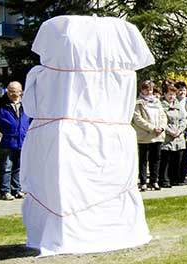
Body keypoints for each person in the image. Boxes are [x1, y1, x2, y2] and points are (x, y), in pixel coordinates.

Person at [21, 16, 153, 256]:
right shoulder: (120, 75)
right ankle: (108, 229)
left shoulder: (45, 76)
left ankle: (74, 230)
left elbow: (31, 105)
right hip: (102, 132)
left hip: (70, 132)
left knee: (67, 186)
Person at [0, 81, 30, 201]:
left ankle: (16, 189)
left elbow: (30, 120)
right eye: (10, 91)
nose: (12, 94)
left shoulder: (26, 104)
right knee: (6, 167)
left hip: (22, 140)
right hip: (6, 141)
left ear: (21, 91)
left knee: (19, 167)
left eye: (15, 91)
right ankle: (5, 191)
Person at [132, 80, 167, 192]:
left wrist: (161, 127)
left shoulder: (157, 102)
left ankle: (154, 181)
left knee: (155, 159)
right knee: (143, 160)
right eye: (146, 89)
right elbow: (138, 119)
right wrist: (152, 128)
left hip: (158, 135)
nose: (148, 91)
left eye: (150, 89)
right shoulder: (138, 103)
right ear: (142, 89)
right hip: (145, 136)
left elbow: (163, 116)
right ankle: (143, 182)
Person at [160, 85, 187, 187]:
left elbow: (183, 120)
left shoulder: (178, 106)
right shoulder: (161, 106)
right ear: (165, 94)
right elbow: (161, 121)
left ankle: (175, 179)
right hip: (167, 137)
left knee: (177, 160)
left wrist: (179, 131)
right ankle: (164, 180)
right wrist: (170, 131)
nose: (172, 96)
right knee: (166, 160)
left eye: (173, 94)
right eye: (169, 94)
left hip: (178, 137)